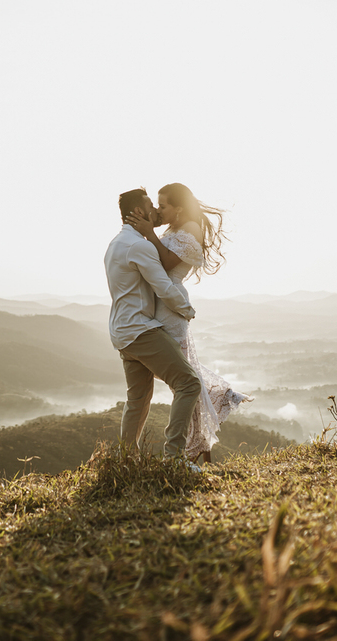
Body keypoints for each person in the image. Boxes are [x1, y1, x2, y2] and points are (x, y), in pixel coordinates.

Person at [125, 182, 252, 462]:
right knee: (185, 380)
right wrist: (151, 228)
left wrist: (149, 234)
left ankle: (189, 452)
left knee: (185, 382)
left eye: (163, 206)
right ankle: (198, 449)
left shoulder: (191, 228)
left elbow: (167, 263)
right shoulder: (172, 229)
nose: (159, 210)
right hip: (159, 304)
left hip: (170, 307)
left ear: (179, 208)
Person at [104, 187, 203, 470]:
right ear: (138, 212)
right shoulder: (140, 245)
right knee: (189, 383)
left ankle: (127, 462)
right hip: (142, 330)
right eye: (151, 205)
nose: (156, 211)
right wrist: (186, 310)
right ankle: (174, 458)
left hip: (121, 332)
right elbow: (163, 287)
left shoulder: (115, 244)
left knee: (137, 400)